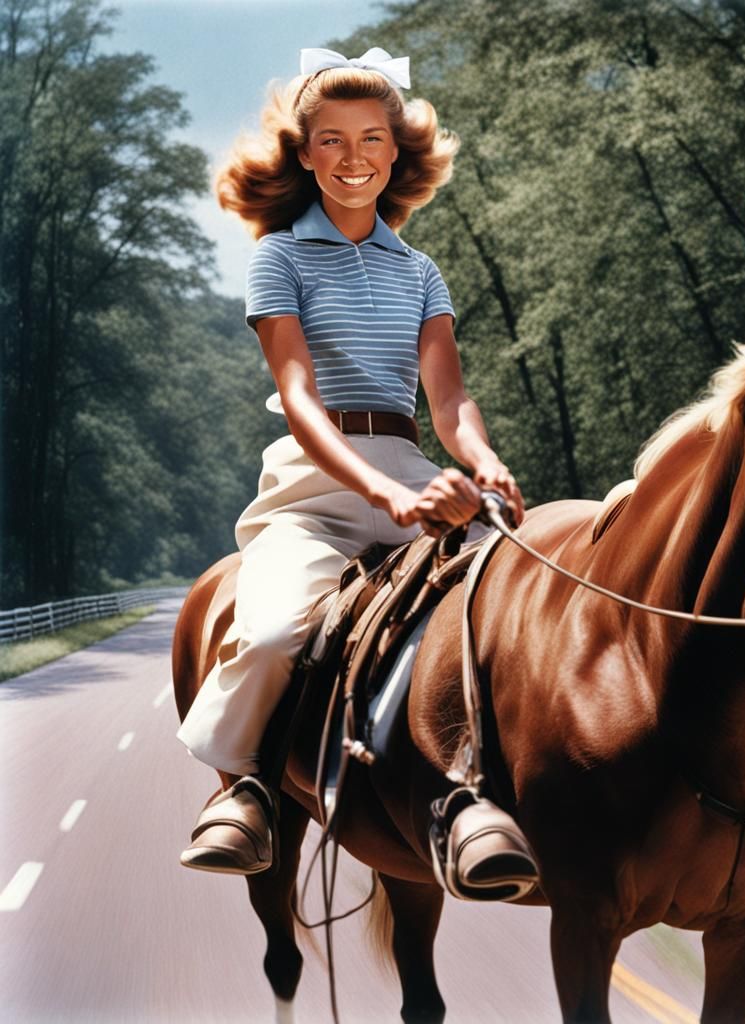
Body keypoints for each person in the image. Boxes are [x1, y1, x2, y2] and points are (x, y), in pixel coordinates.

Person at [175, 47, 538, 893]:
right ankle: (250, 790)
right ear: (304, 155)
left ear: (395, 150)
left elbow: (448, 402)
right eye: (331, 140)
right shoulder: (279, 257)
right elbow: (299, 398)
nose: (353, 157)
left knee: (536, 605)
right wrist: (383, 491)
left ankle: (489, 796)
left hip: (415, 469)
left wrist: (482, 464)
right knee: (270, 632)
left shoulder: (420, 271)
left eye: (370, 137)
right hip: (314, 487)